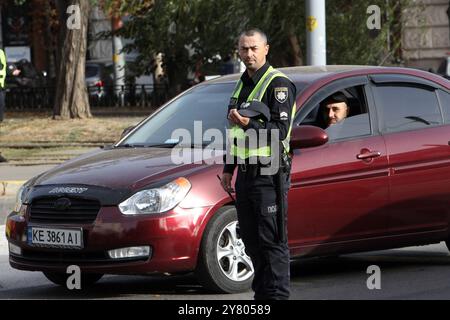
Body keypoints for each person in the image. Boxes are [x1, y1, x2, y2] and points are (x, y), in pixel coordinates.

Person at [220, 29, 296, 300]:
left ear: (266, 49)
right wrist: (229, 168)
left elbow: (280, 131)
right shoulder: (242, 84)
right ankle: (262, 298)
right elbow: (234, 134)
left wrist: (248, 123)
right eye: (244, 49)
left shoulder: (278, 84)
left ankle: (277, 297)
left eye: (254, 48)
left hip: (269, 172)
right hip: (245, 174)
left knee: (272, 241)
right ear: (238, 51)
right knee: (252, 242)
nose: (248, 54)